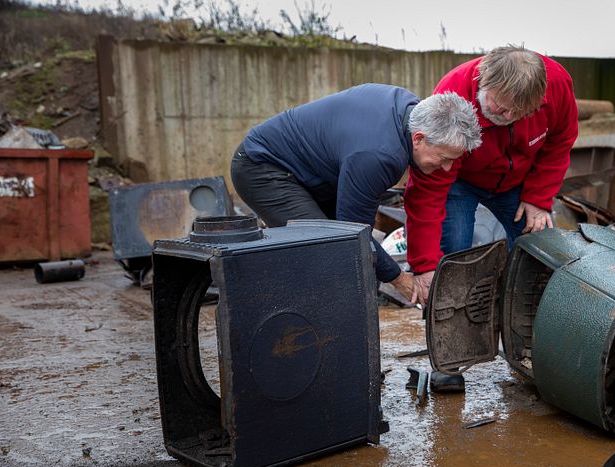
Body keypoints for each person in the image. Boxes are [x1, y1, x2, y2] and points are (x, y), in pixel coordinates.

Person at [231, 83, 482, 301]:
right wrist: (400, 279)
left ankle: (352, 338)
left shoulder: (408, 110)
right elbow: (355, 234)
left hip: (313, 172)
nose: (447, 167)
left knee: (357, 261)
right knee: (329, 250)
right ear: (418, 139)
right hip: (263, 168)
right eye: (444, 157)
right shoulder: (380, 156)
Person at [404, 45, 579, 306]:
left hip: (518, 182)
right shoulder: (453, 93)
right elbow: (427, 191)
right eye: (501, 106)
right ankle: (455, 319)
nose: (508, 117)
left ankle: (517, 312)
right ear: (483, 82)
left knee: (538, 247)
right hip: (460, 180)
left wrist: (538, 197)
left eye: (519, 113)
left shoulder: (558, 85)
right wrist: (424, 266)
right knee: (454, 254)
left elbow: (560, 141)